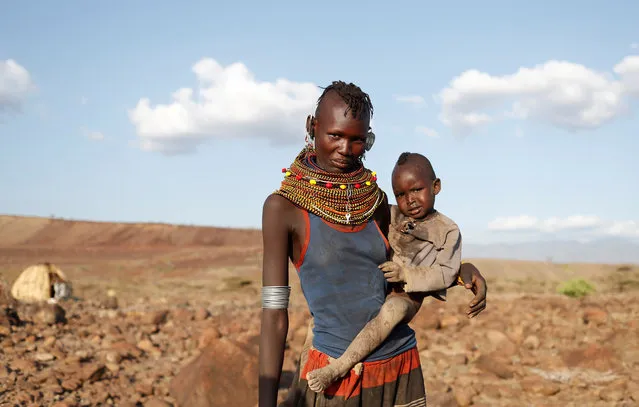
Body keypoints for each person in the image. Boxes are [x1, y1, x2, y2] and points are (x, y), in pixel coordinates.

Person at [259, 81, 487, 407]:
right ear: (312, 126)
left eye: (357, 140)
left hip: (398, 366)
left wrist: (462, 270)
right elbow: (273, 315)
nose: (345, 149)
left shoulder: (376, 201)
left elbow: (409, 268)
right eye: (335, 135)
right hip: (333, 376)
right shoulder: (283, 209)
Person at [305, 151, 469, 392]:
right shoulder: (392, 214)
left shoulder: (447, 230)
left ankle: (339, 367)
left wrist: (406, 276)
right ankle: (301, 386)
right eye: (401, 194)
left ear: (436, 186)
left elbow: (446, 272)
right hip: (377, 284)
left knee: (391, 312)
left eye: (417, 190)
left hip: (406, 296)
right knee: (322, 315)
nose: (410, 200)